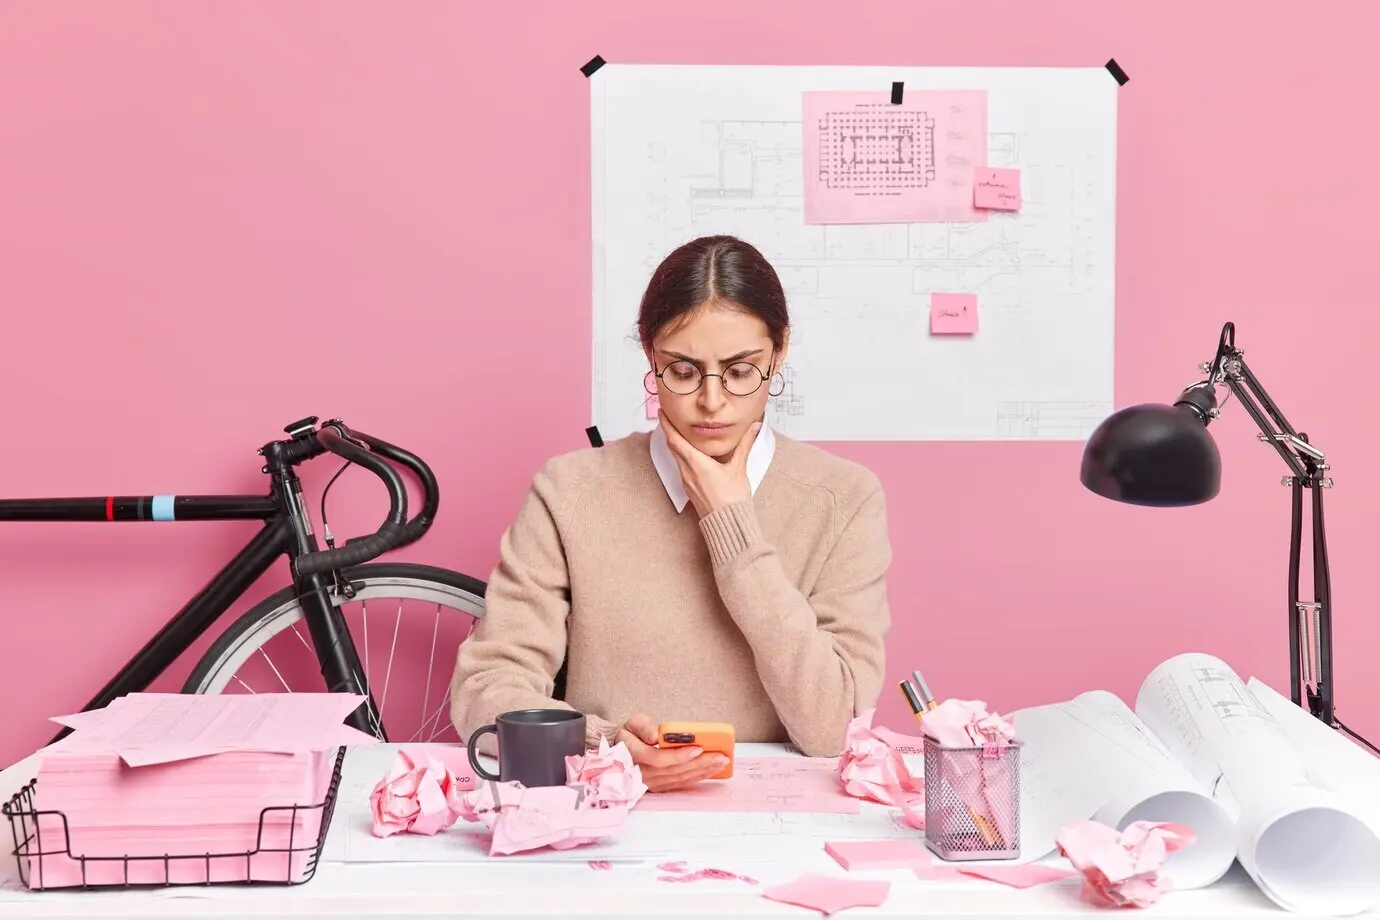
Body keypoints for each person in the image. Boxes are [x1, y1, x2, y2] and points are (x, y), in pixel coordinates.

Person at [450, 234, 892, 791]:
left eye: (740, 371)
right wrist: (603, 747)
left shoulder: (843, 498)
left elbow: (833, 728)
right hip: (605, 806)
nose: (711, 401)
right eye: (682, 372)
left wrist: (733, 529)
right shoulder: (571, 491)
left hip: (779, 812)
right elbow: (485, 689)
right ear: (649, 354)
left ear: (779, 351)